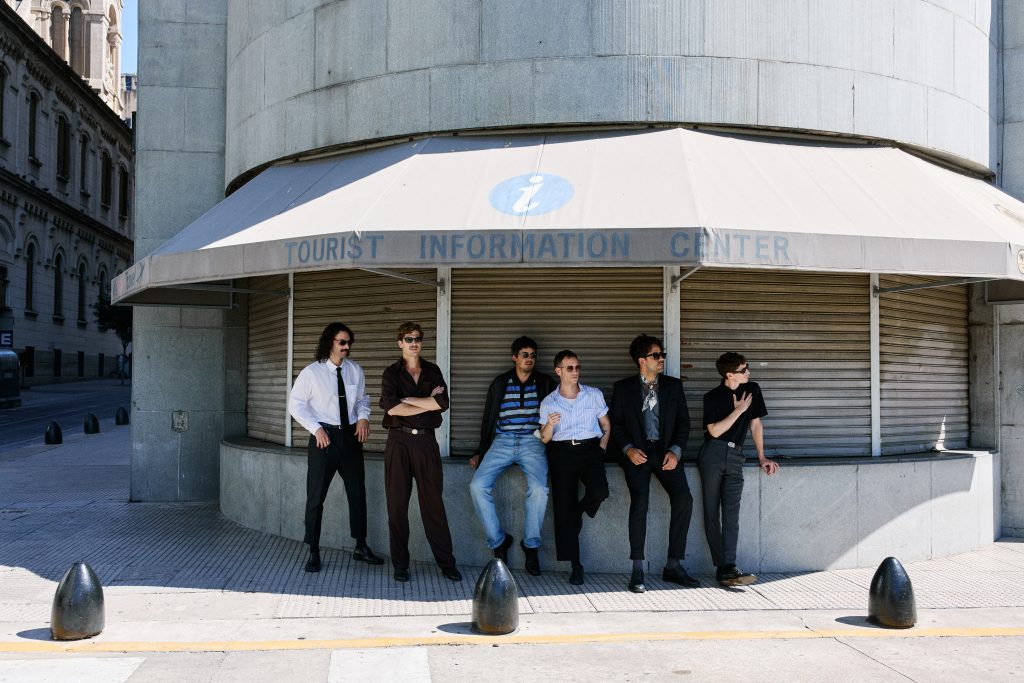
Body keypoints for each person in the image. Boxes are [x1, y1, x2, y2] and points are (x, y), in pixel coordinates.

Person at [288, 322, 382, 573]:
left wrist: (363, 417)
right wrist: (315, 428)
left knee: (357, 493)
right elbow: (295, 404)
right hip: (324, 439)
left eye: (349, 342)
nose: (347, 346)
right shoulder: (311, 373)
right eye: (342, 342)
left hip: (350, 438)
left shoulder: (355, 370)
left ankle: (360, 546)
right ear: (329, 342)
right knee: (316, 497)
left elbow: (362, 399)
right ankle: (313, 551)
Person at [611, 334, 699, 593]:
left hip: (665, 453)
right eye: (656, 355)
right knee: (640, 503)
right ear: (642, 360)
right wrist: (628, 449)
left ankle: (673, 565)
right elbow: (616, 424)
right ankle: (637, 570)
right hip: (637, 453)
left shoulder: (673, 386)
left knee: (684, 499)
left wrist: (675, 451)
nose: (661, 359)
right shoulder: (623, 388)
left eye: (663, 355)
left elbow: (684, 423)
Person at [380, 322, 461, 583]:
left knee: (433, 505)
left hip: (427, 443)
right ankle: (400, 565)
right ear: (400, 343)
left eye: (417, 339)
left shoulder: (432, 370)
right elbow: (392, 408)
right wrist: (428, 402)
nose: (414, 343)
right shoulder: (391, 373)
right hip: (398, 443)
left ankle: (447, 564)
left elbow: (443, 403)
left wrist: (409, 400)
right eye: (408, 339)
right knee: (397, 507)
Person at [469, 336, 556, 576]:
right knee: (477, 486)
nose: (530, 359)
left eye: (533, 355)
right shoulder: (500, 383)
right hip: (502, 441)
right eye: (525, 355)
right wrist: (480, 451)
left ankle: (531, 546)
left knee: (539, 490)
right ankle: (498, 541)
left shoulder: (545, 382)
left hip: (533, 441)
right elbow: (488, 418)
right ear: (514, 357)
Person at [699, 352, 780, 587]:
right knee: (711, 512)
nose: (748, 372)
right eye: (743, 370)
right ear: (729, 374)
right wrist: (738, 411)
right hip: (713, 454)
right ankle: (722, 567)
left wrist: (762, 457)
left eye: (748, 367)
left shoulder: (752, 389)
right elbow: (714, 431)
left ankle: (730, 566)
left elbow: (756, 424)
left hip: (736, 455)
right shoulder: (712, 397)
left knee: (731, 513)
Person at [539, 350, 610, 586]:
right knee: (563, 509)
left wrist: (601, 447)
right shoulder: (549, 402)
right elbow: (544, 438)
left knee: (600, 491)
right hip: (562, 453)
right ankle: (576, 566)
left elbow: (606, 424)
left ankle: (579, 511)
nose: (575, 372)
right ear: (558, 371)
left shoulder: (593, 395)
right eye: (570, 368)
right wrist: (550, 424)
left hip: (590, 450)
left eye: (577, 367)